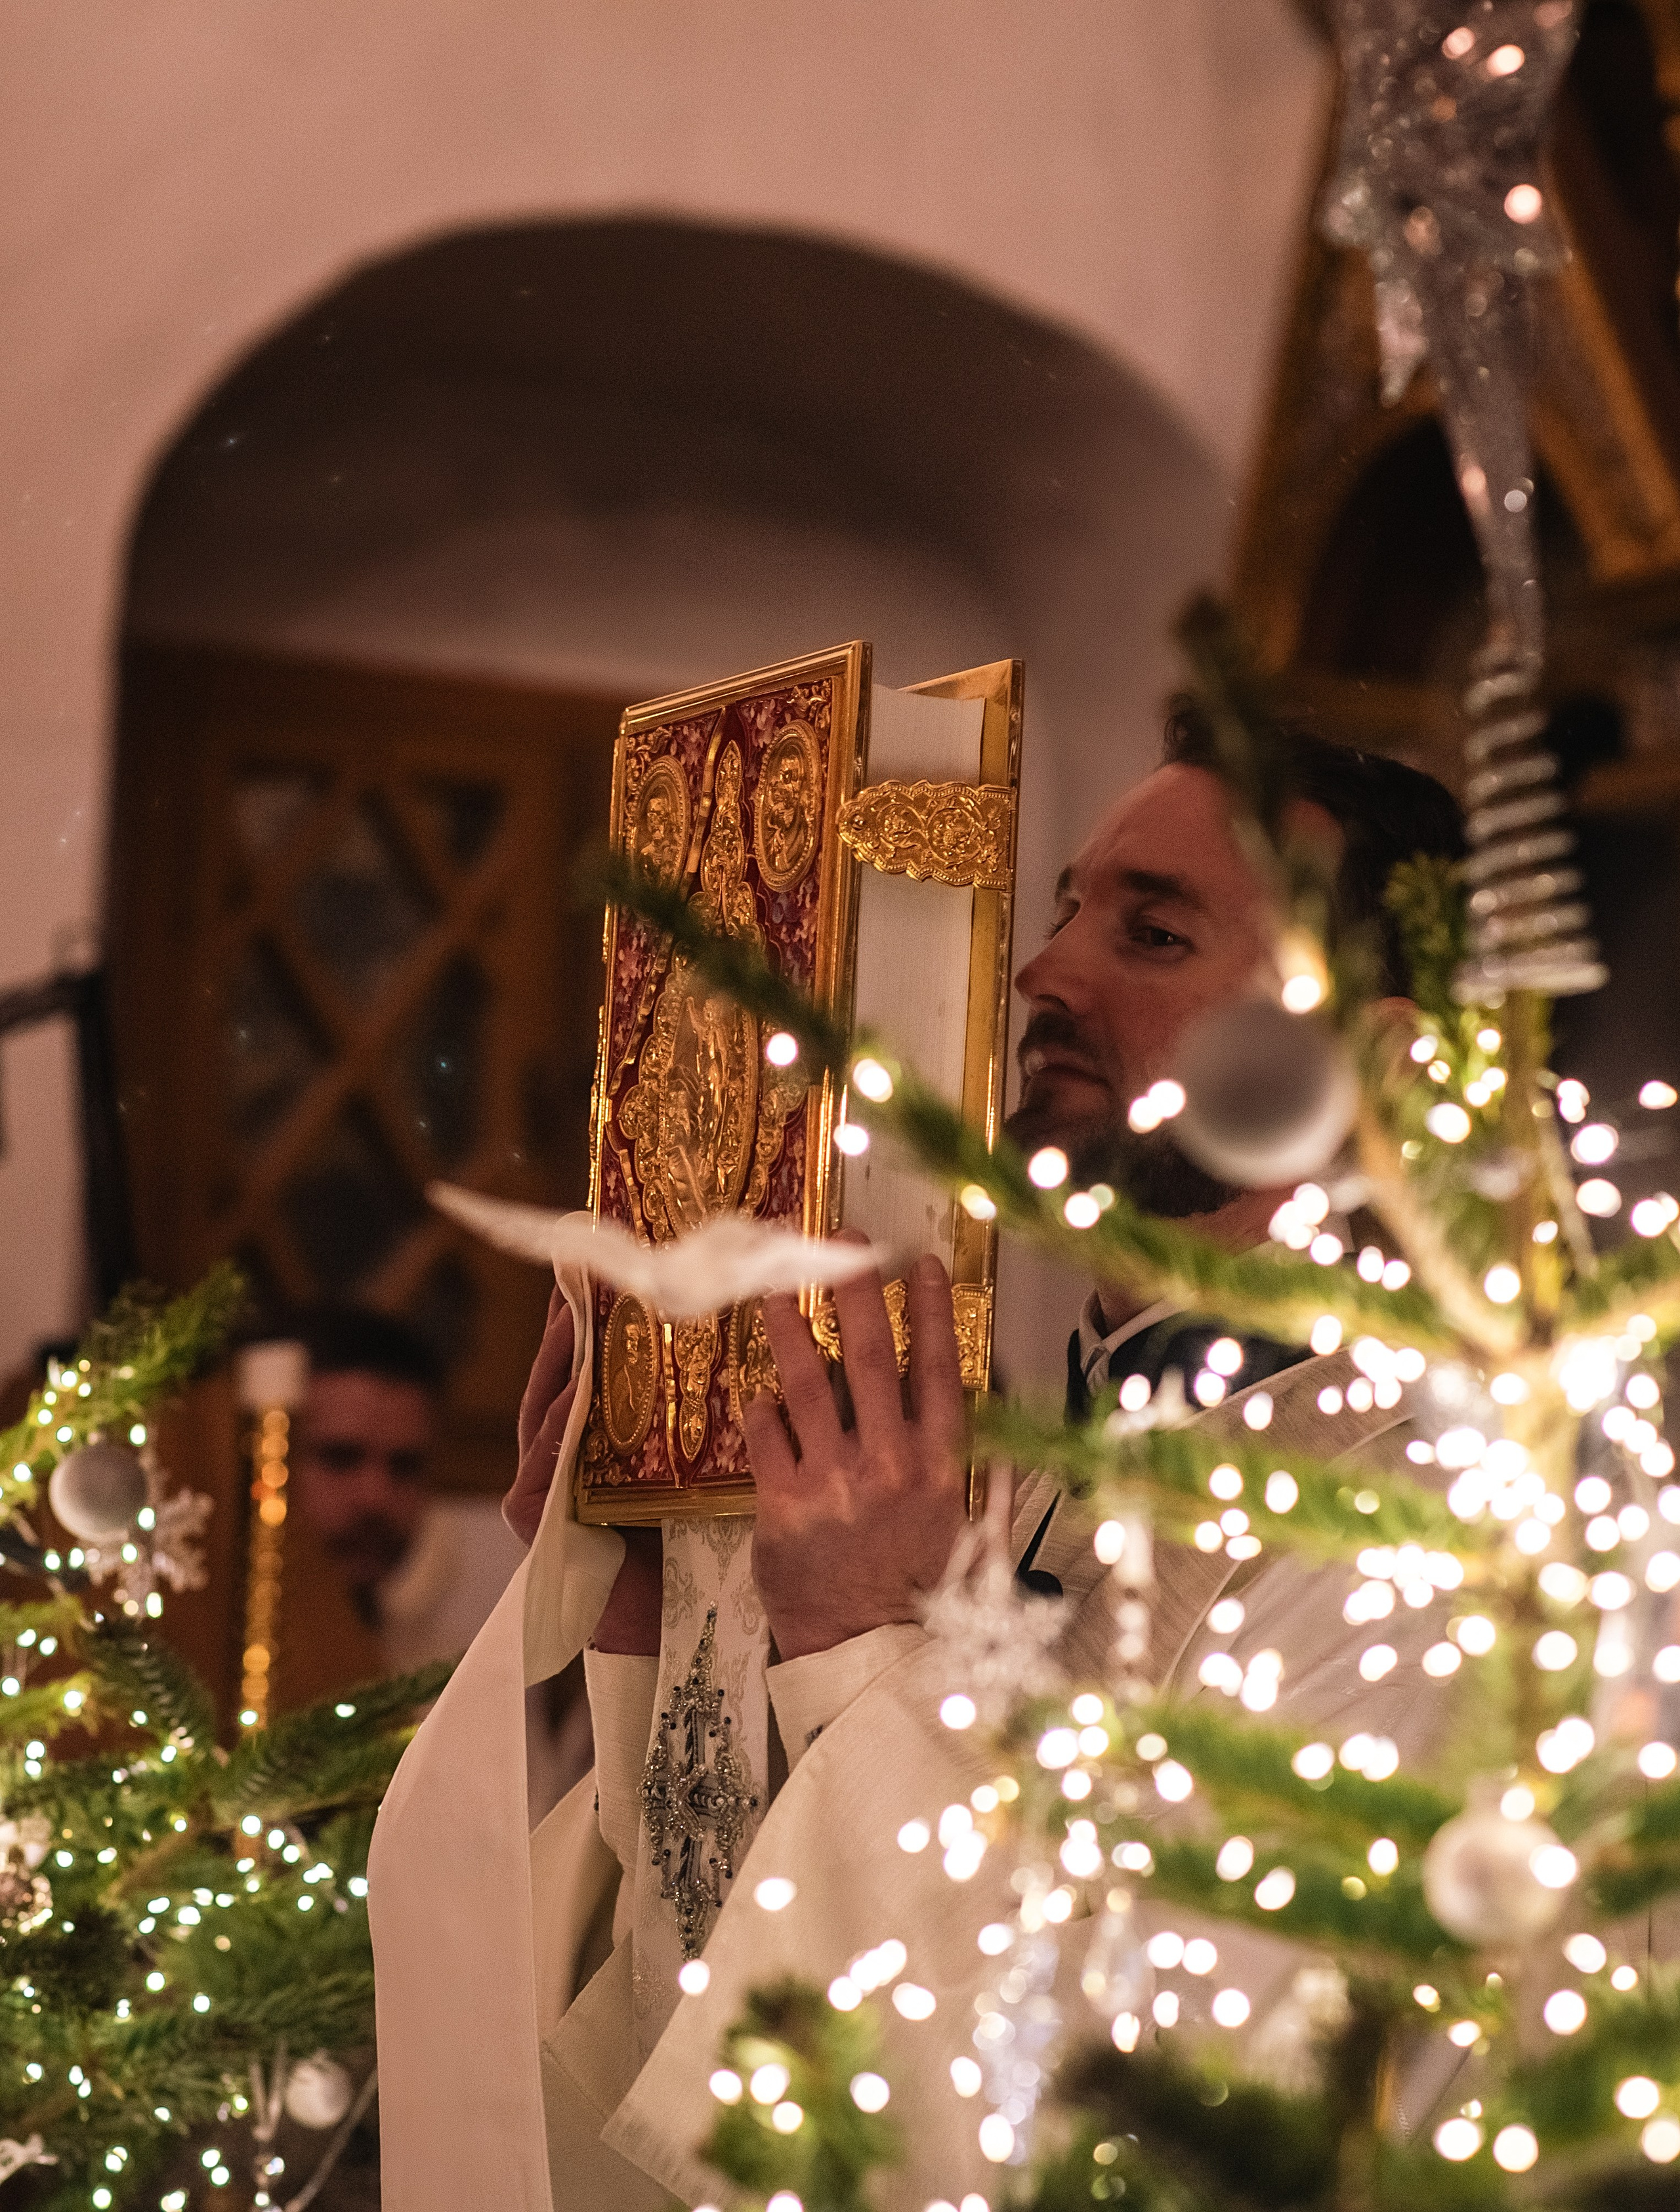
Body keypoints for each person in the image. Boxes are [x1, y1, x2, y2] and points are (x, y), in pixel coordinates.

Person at [369, 717, 1467, 2212]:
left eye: (1151, 931)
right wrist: (671, 1600)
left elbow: (1154, 2134)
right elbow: (733, 1996)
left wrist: (863, 1647)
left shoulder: (1428, 1543)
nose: (1044, 972)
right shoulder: (1026, 1475)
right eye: (1068, 909)